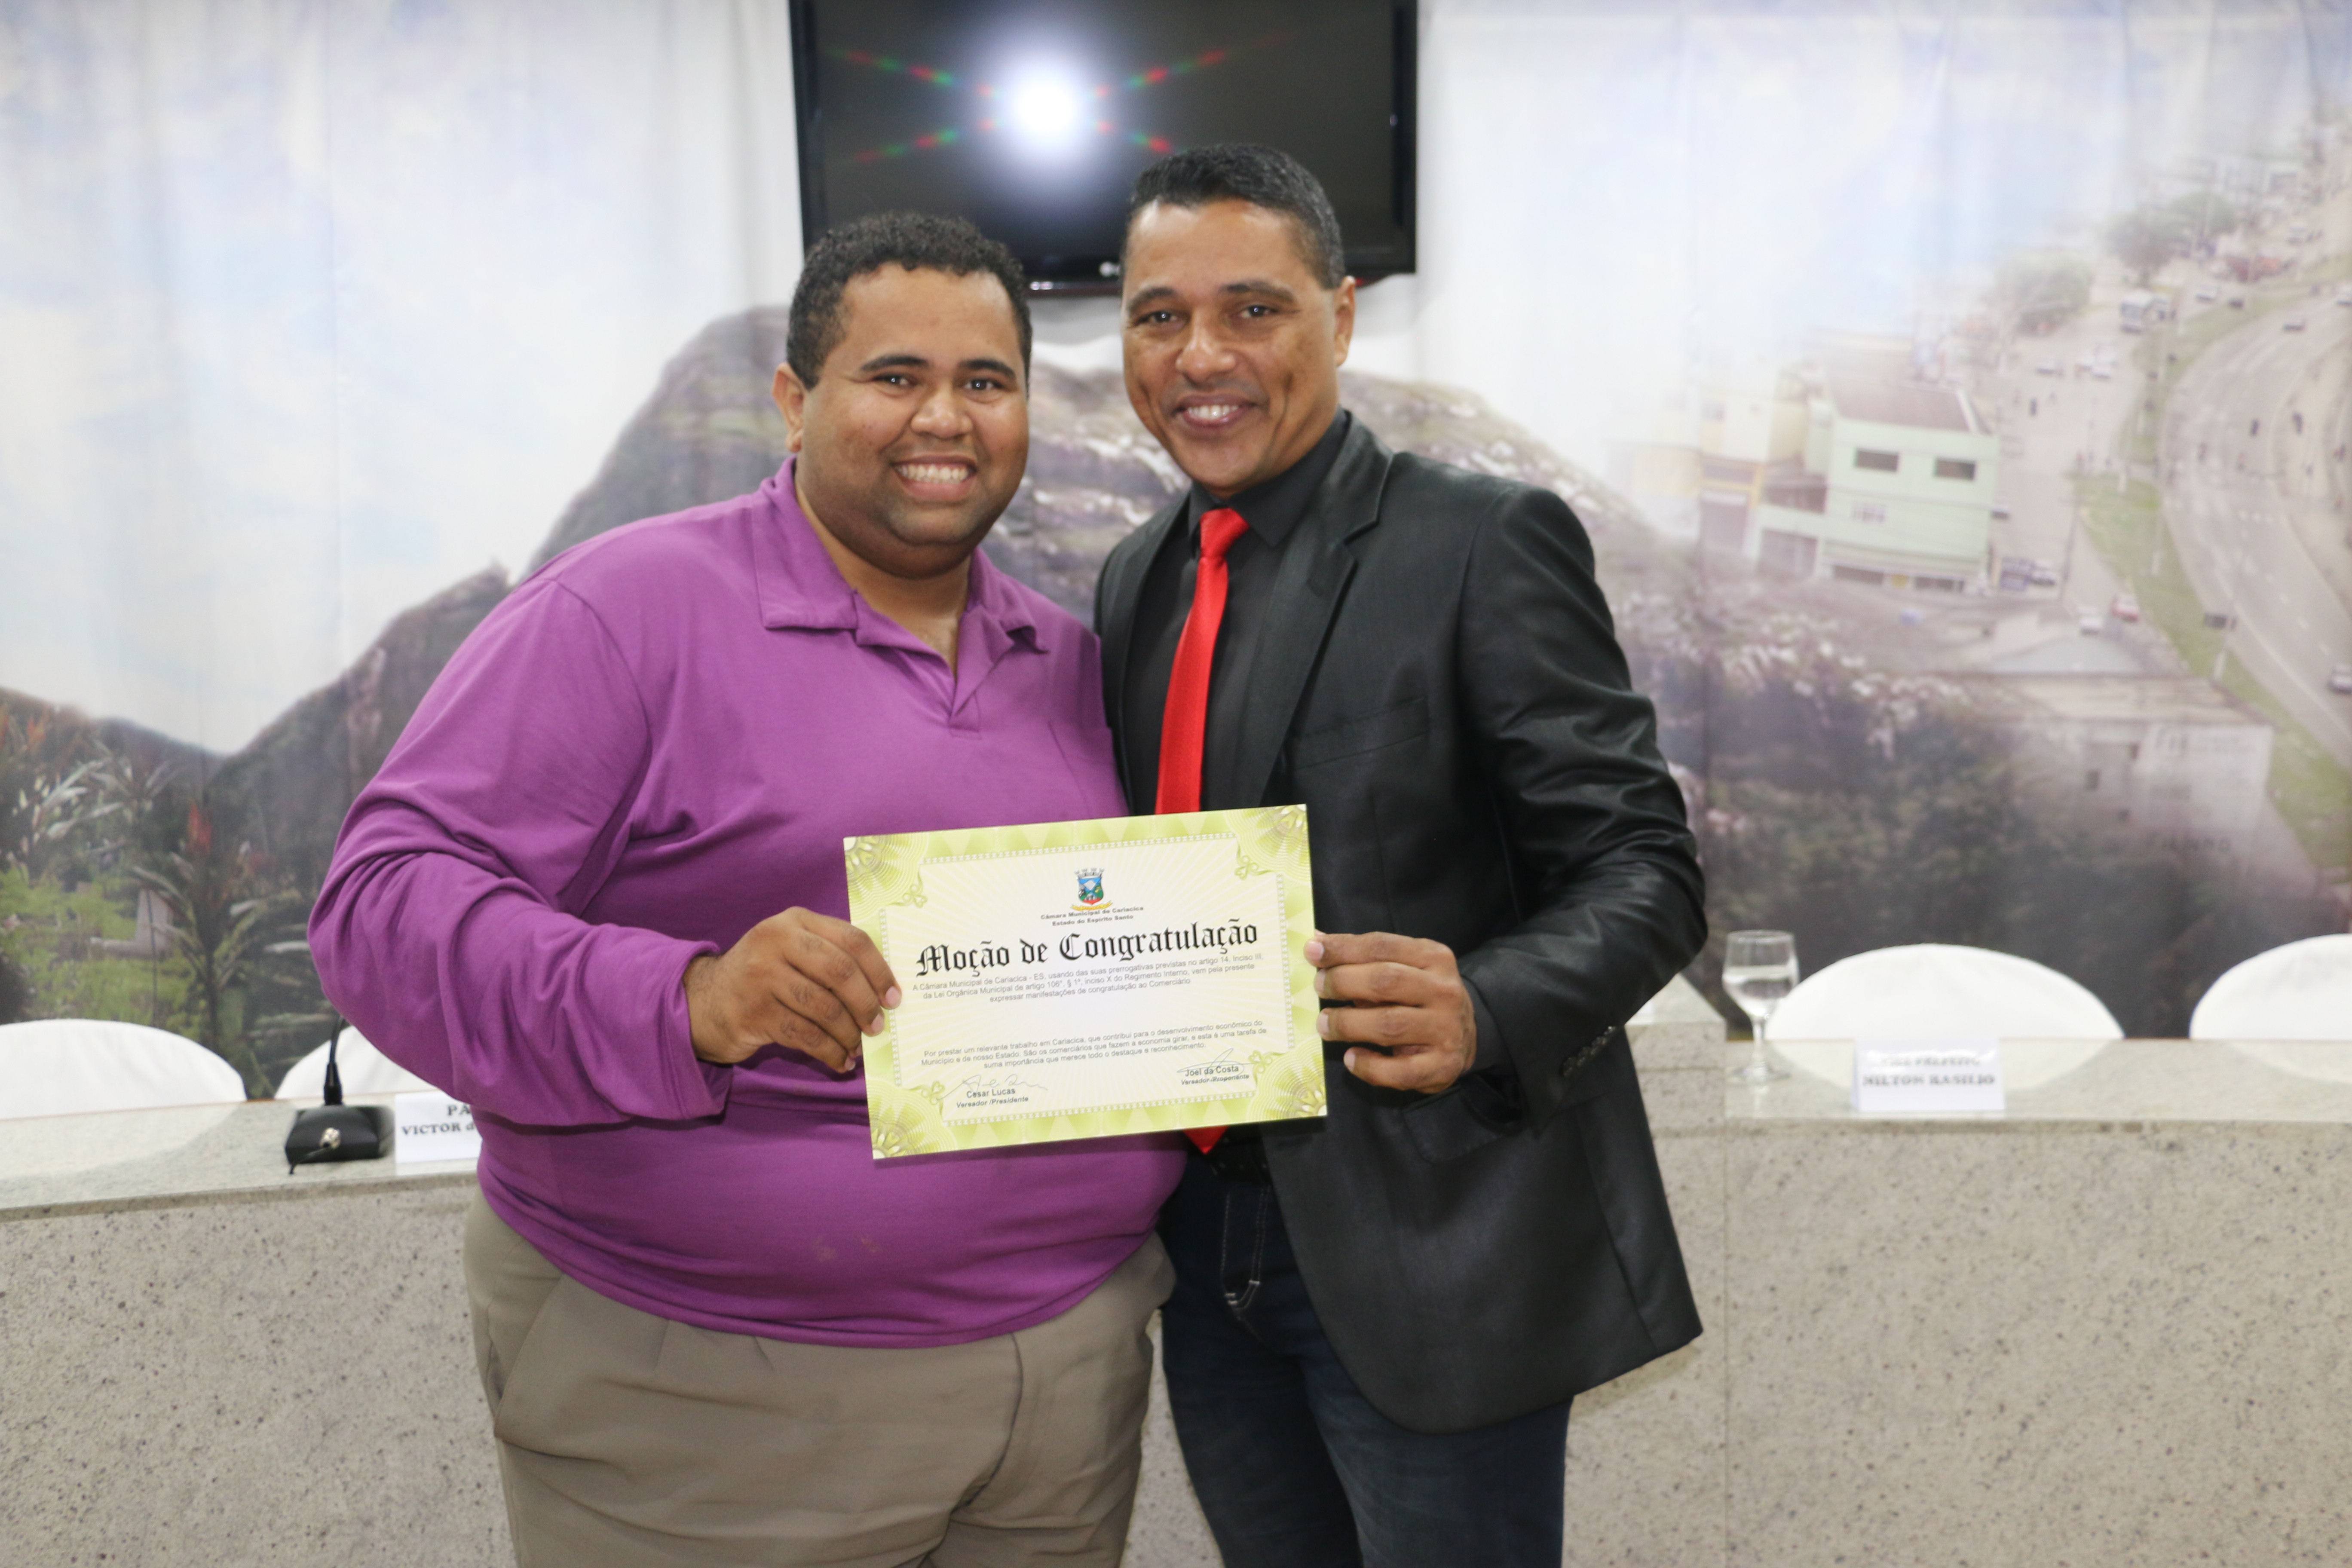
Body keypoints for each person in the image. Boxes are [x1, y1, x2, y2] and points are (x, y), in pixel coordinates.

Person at [310, 213, 1185, 1568]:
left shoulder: (1069, 662)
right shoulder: (629, 610)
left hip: (1065, 1395)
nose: (943, 418)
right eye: (893, 376)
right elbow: (381, 908)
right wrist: (693, 998)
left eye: (985, 381)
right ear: (794, 400)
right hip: (718, 1402)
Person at [1095, 145, 1708, 1568]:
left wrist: (1483, 1006)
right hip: (1205, 1249)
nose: (1201, 356)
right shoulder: (1137, 578)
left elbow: (1645, 867)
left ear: (1341, 316)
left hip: (1432, 1247)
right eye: (1159, 316)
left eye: (1253, 310)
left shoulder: (1482, 542)